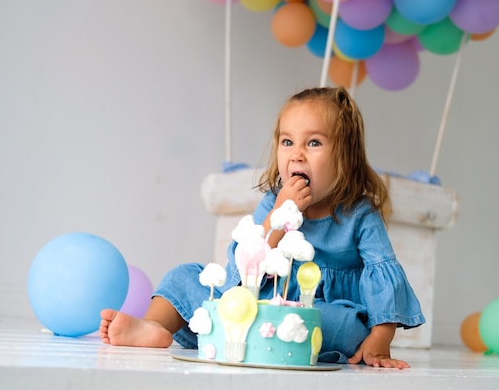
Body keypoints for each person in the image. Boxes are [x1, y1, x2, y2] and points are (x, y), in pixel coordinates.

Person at [99, 86, 424, 368]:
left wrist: (380, 338)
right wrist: (281, 215)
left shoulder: (359, 213)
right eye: (287, 142)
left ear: (346, 157)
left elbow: (384, 275)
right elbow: (245, 262)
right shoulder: (274, 201)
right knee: (185, 276)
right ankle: (154, 326)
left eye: (313, 143)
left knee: (348, 328)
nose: (296, 155)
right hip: (257, 299)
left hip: (317, 312)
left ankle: (234, 334)